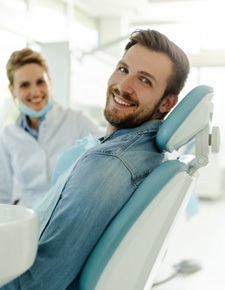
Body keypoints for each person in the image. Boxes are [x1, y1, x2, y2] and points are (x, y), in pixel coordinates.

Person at [0, 28, 190, 290]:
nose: (123, 87)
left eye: (145, 80)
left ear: (167, 103)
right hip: (32, 228)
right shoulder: (130, 151)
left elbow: (38, 282)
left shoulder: (109, 161)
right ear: (13, 90)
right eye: (123, 69)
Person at [0, 48, 103, 208]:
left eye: (40, 81)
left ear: (50, 81)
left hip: (68, 211)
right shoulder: (8, 136)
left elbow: (107, 148)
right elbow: (2, 195)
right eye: (24, 85)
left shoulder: (76, 120)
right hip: (28, 219)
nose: (35, 91)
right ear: (13, 90)